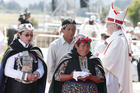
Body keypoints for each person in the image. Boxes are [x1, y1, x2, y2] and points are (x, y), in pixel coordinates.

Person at [0, 23, 47, 93]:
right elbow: (7, 71)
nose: (29, 37)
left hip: (32, 89)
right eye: (27, 35)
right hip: (14, 89)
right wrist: (25, 76)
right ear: (19, 35)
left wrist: (37, 74)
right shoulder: (13, 50)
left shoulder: (34, 50)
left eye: (31, 35)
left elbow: (41, 67)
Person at [101, 3, 132, 93]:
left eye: (108, 24)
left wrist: (98, 57)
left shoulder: (118, 40)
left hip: (114, 77)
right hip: (115, 75)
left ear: (114, 25)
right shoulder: (120, 38)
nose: (106, 27)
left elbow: (108, 61)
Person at [47, 18, 76, 83]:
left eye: (73, 30)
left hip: (75, 81)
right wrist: (52, 81)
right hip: (59, 80)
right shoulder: (54, 45)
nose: (71, 32)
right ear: (63, 30)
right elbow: (50, 65)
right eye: (68, 29)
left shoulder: (78, 44)